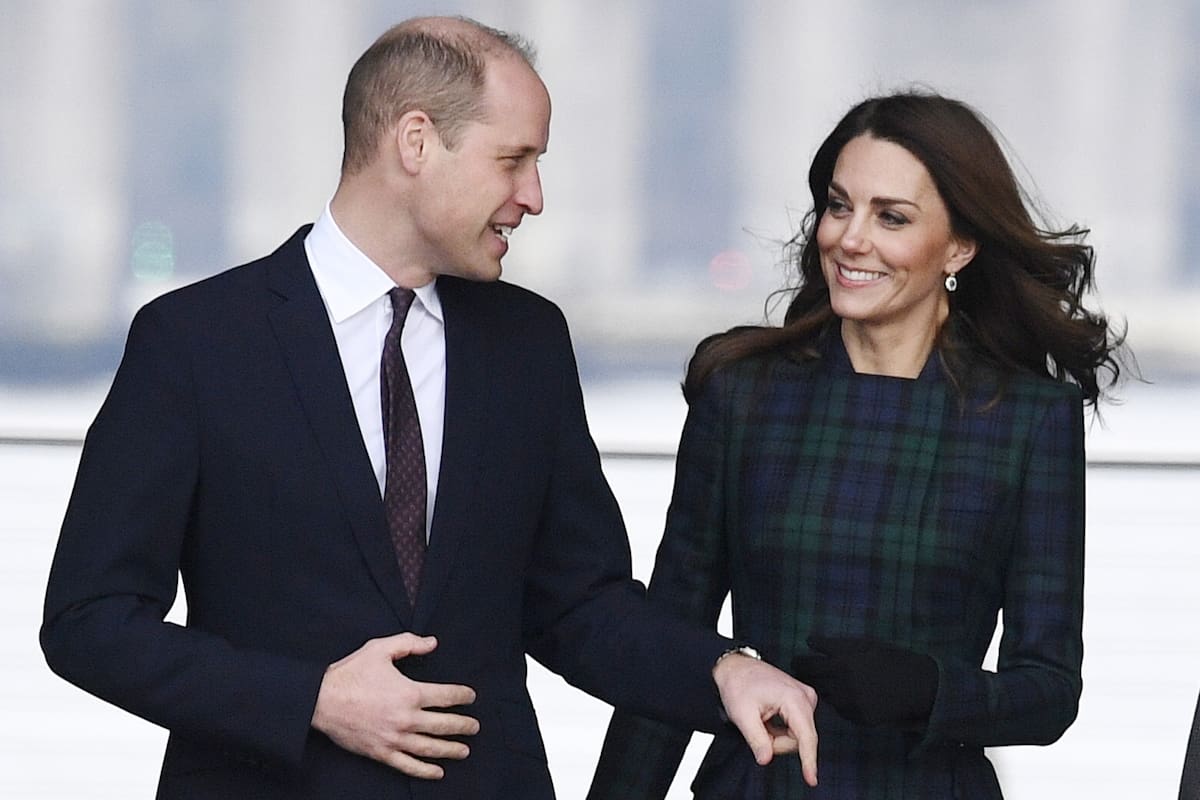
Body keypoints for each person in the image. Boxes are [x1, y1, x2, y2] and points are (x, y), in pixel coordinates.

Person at [39, 16, 819, 800]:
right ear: (416, 143)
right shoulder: (195, 341)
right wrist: (310, 699)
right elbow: (90, 621)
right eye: (514, 160)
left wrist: (721, 673)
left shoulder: (529, 342)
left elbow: (578, 603)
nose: (534, 197)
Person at [589, 91, 1125, 798]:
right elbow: (669, 648)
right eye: (840, 207)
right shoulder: (744, 396)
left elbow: (1050, 691)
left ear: (959, 246)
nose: (850, 238)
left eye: (891, 217)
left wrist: (931, 692)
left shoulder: (1028, 420)